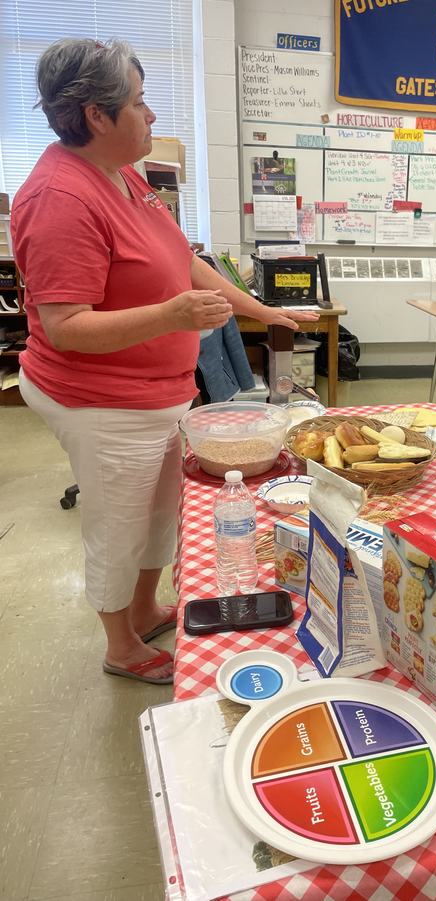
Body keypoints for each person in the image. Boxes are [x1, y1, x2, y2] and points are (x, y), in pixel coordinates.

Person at [11, 38, 318, 684]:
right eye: (140, 102)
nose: (151, 116)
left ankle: (147, 606)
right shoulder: (60, 198)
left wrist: (263, 310)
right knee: (119, 519)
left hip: (156, 392)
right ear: (96, 115)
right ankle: (120, 644)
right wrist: (172, 317)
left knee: (160, 510)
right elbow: (67, 329)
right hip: (102, 400)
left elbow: (185, 259)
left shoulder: (122, 173)